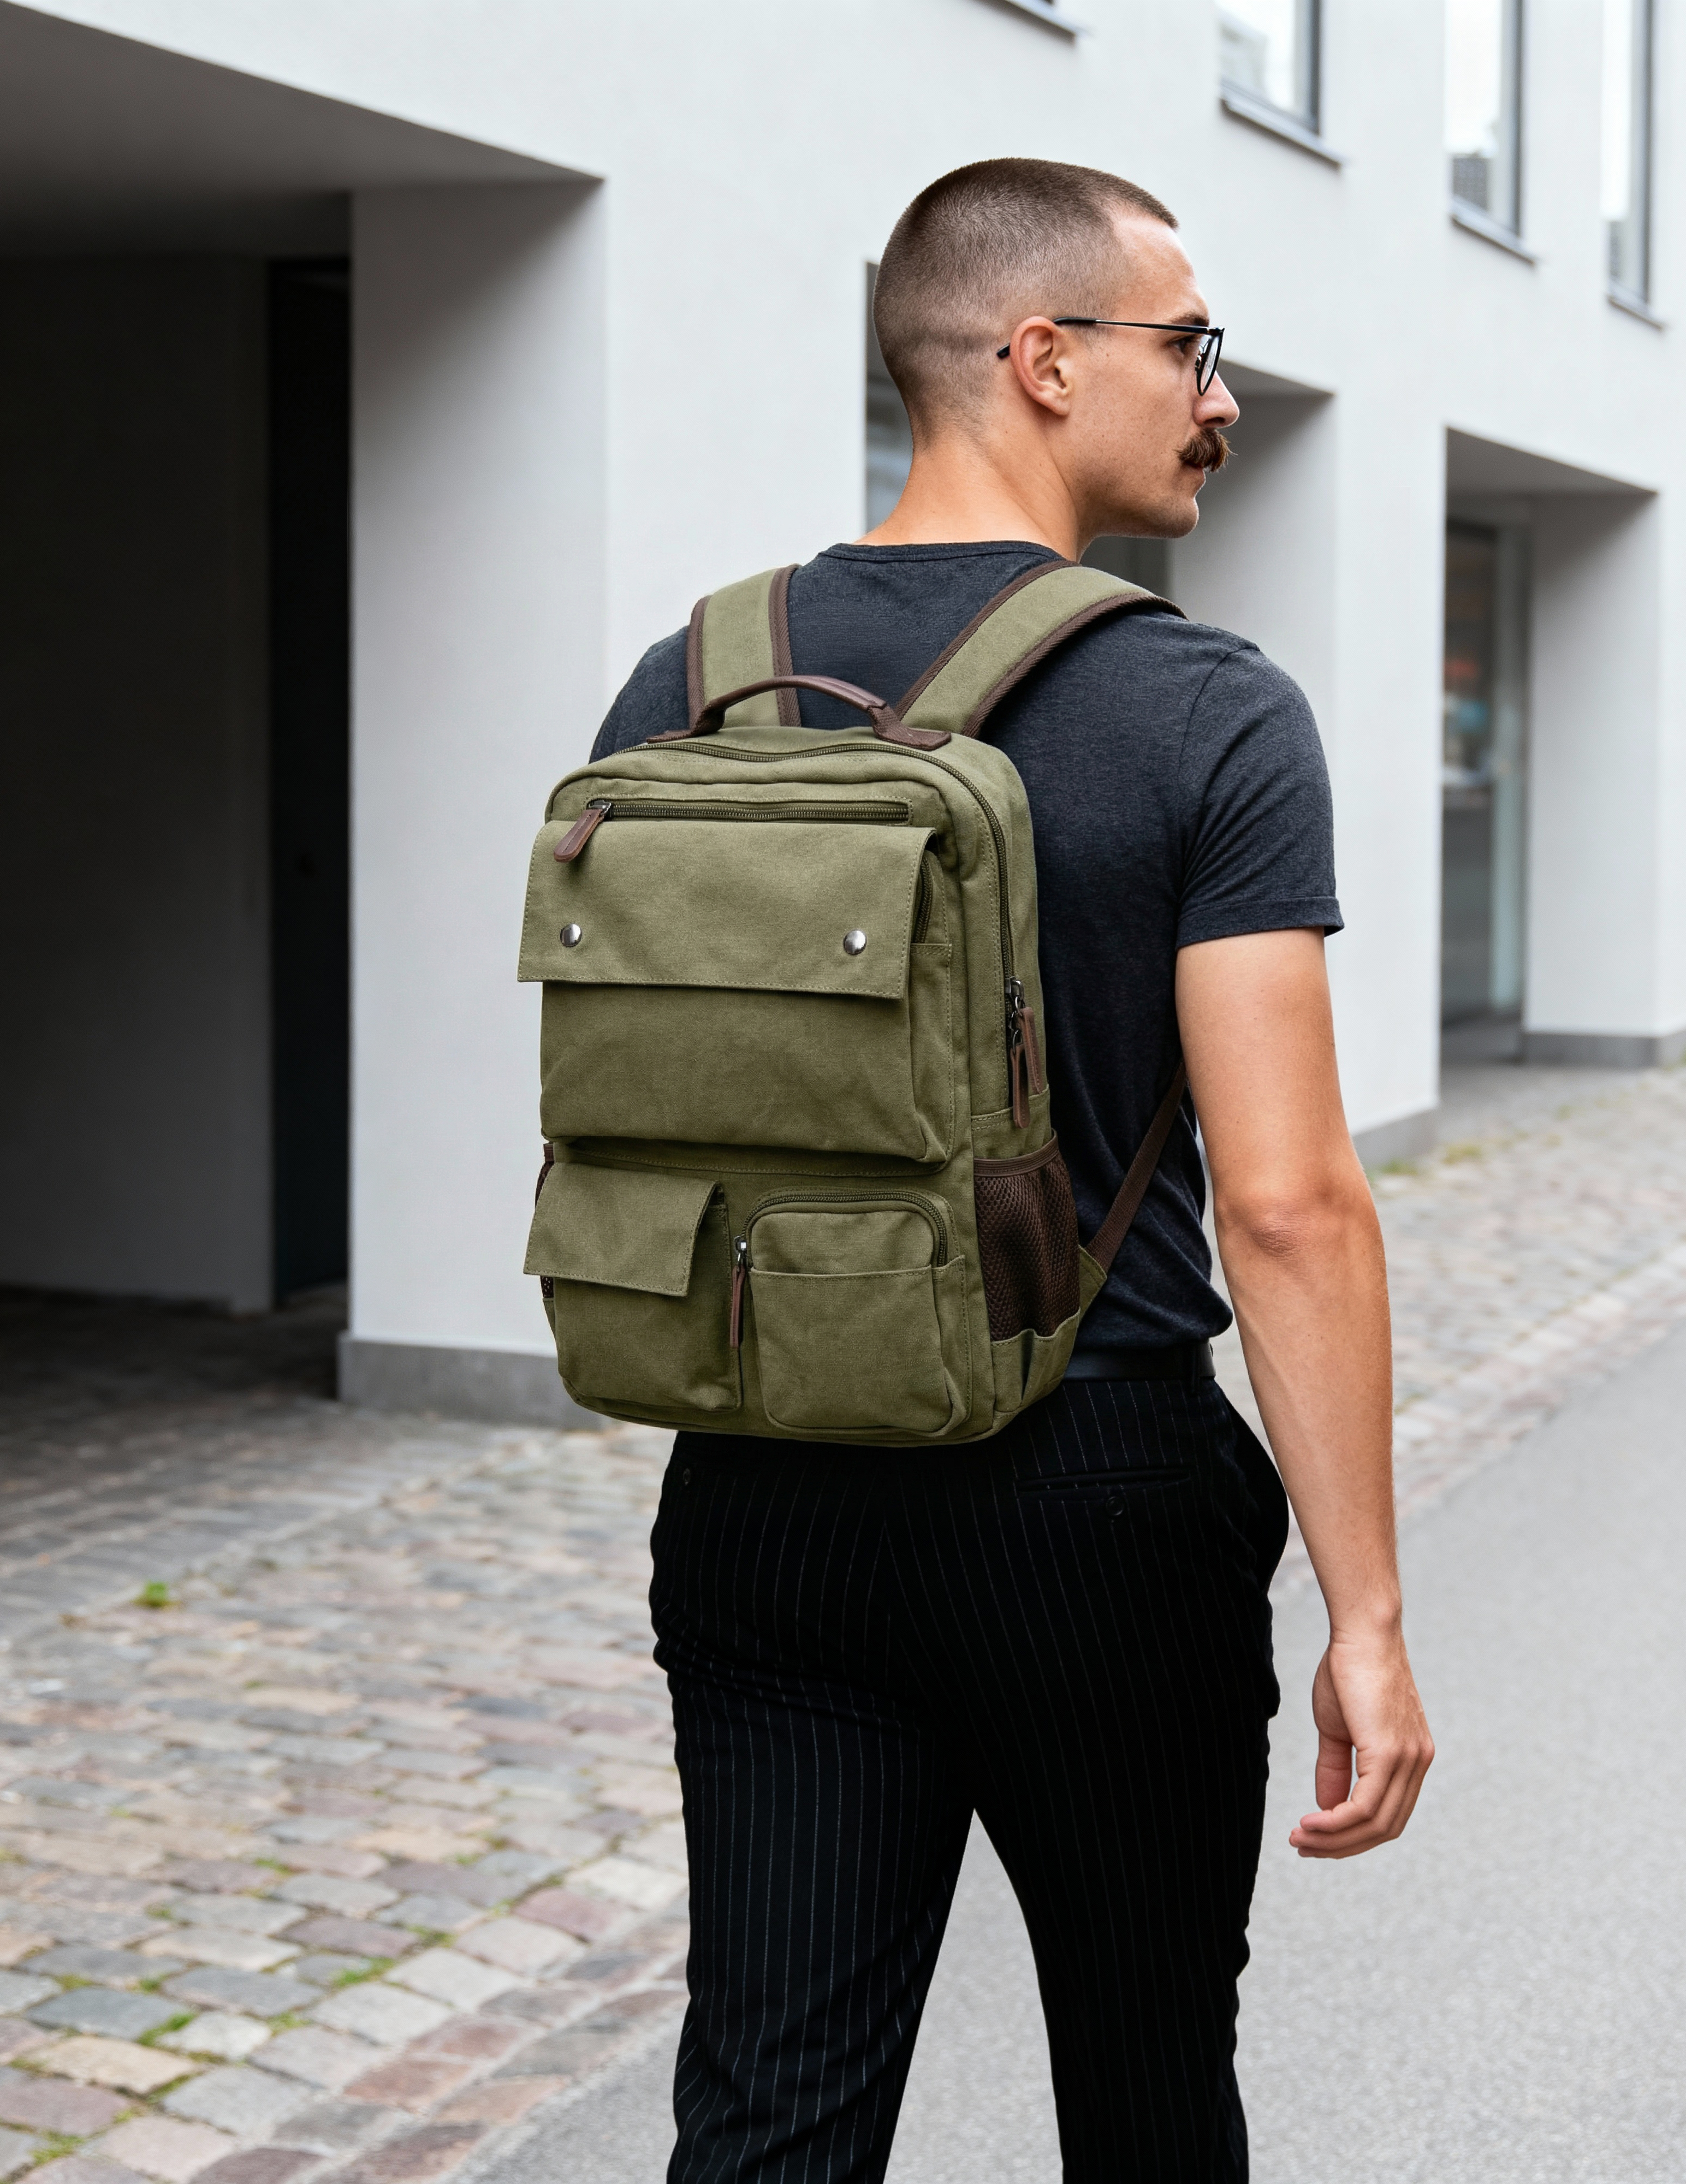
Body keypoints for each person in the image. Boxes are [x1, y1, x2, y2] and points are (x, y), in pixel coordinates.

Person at [593, 157, 1433, 2183]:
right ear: (1043, 360)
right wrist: (1370, 1614)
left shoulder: (696, 683)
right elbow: (1290, 1199)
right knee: (1148, 2096)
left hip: (769, 1488)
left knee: (773, 2109)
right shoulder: (1201, 705)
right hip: (1096, 1500)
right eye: (1190, 347)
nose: (1220, 395)